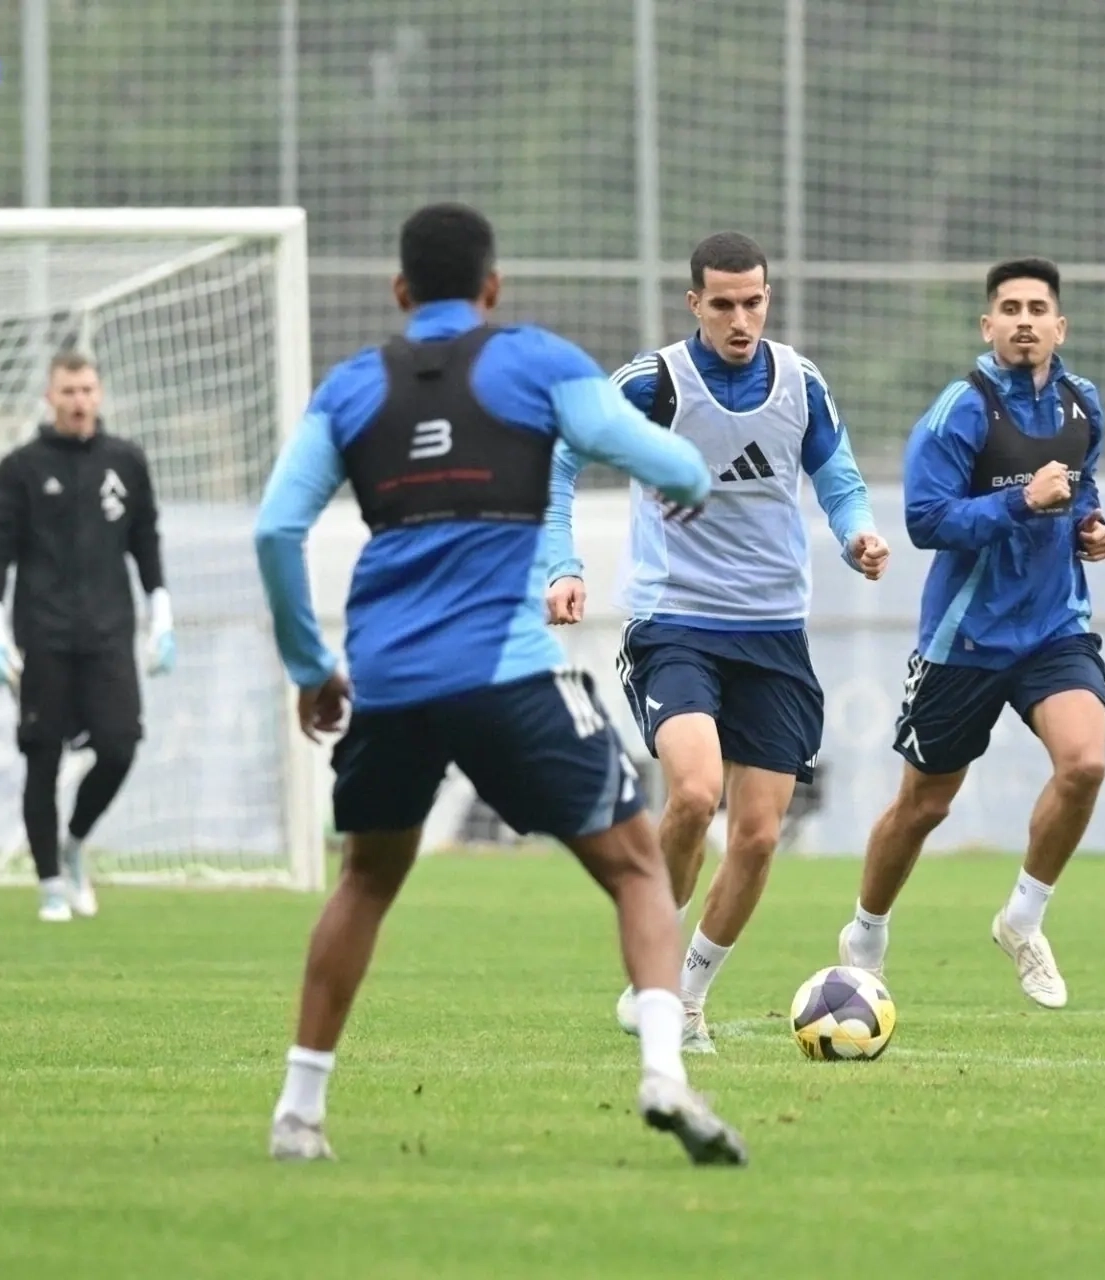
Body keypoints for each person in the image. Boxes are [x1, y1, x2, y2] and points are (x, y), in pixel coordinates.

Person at [252, 202, 744, 1166]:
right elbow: (673, 464)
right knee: (637, 868)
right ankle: (663, 1074)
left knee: (365, 882)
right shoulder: (535, 363)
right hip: (508, 677)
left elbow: (275, 529)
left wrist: (311, 669)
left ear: (401, 291)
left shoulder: (352, 387)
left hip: (389, 682)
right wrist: (683, 479)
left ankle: (298, 1113)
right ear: (493, 288)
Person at [544, 231, 889, 1052]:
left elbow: (838, 479)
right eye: (724, 304)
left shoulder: (800, 383)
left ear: (769, 299)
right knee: (696, 794)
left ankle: (688, 996)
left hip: (773, 631)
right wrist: (562, 564)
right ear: (694, 303)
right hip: (675, 623)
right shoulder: (653, 384)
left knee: (761, 833)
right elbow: (560, 462)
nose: (741, 319)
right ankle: (652, 973)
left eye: (754, 302)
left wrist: (859, 535)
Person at [833, 256, 1105, 1009]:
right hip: (965, 639)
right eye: (1010, 310)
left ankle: (1022, 920)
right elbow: (926, 521)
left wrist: (1090, 526)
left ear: (1060, 327)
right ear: (988, 325)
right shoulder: (960, 409)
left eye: (1037, 309)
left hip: (1054, 629)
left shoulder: (1083, 404)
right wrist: (1022, 502)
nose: (1024, 321)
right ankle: (866, 933)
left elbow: (1081, 489)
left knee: (1085, 764)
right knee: (925, 805)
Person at [0, 352, 176, 922]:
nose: (79, 401)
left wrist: (161, 610)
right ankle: (49, 884)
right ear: (50, 398)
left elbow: (146, 538)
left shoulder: (126, 462)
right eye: (68, 391)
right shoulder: (20, 468)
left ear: (100, 394)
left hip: (109, 631)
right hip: (42, 633)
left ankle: (74, 842)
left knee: (120, 745)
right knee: (42, 757)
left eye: (87, 389)